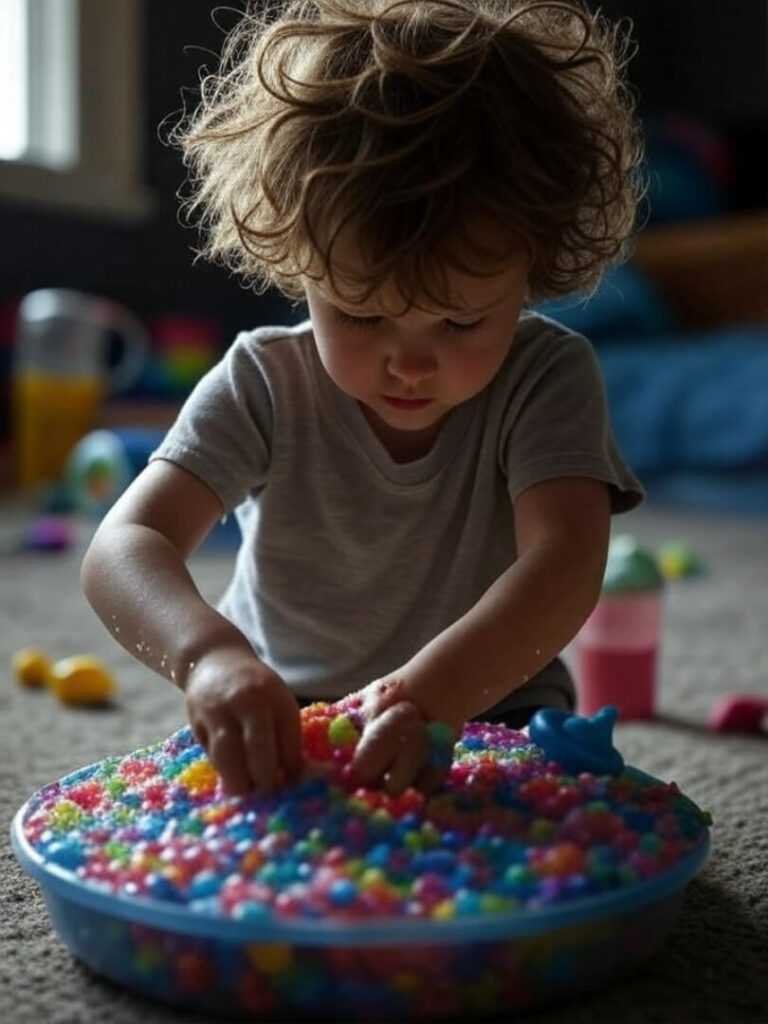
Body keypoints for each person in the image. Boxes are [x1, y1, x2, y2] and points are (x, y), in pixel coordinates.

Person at [81, 0, 645, 800]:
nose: (409, 363)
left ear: (533, 265)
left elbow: (565, 564)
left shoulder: (547, 377)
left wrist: (432, 697)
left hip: (489, 706)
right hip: (283, 710)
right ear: (299, 259)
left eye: (460, 320)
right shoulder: (264, 381)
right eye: (359, 313)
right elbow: (125, 542)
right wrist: (209, 657)